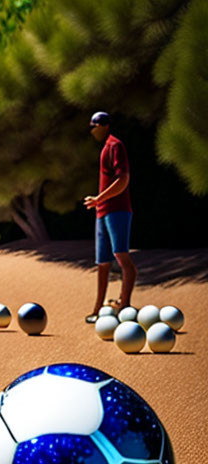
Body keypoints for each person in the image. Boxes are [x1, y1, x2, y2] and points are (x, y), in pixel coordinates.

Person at [84, 111, 136, 323]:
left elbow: (123, 180)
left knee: (122, 257)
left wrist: (99, 198)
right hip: (102, 212)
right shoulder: (106, 147)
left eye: (93, 127)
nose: (91, 131)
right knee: (102, 262)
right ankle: (97, 309)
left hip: (117, 210)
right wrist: (99, 203)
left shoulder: (115, 146)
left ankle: (125, 306)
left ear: (103, 126)